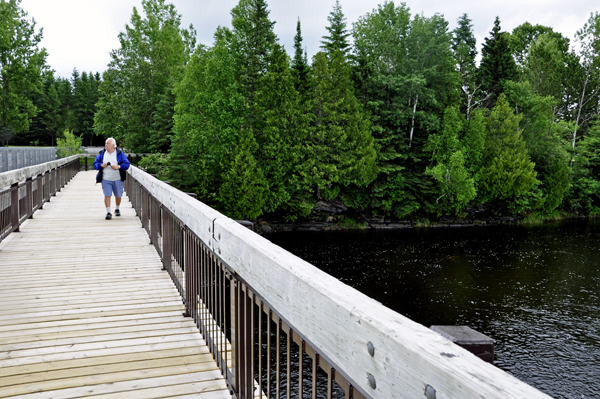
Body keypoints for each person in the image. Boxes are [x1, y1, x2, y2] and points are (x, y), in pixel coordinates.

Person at [93, 138, 130, 220]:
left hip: (117, 178)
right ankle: (108, 212)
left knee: (118, 195)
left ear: (113, 145)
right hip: (106, 178)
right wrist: (101, 165)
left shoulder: (119, 154)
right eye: (105, 143)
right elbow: (95, 164)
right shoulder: (102, 154)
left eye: (108, 143)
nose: (106, 144)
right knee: (107, 195)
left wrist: (118, 166)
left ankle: (117, 208)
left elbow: (127, 164)